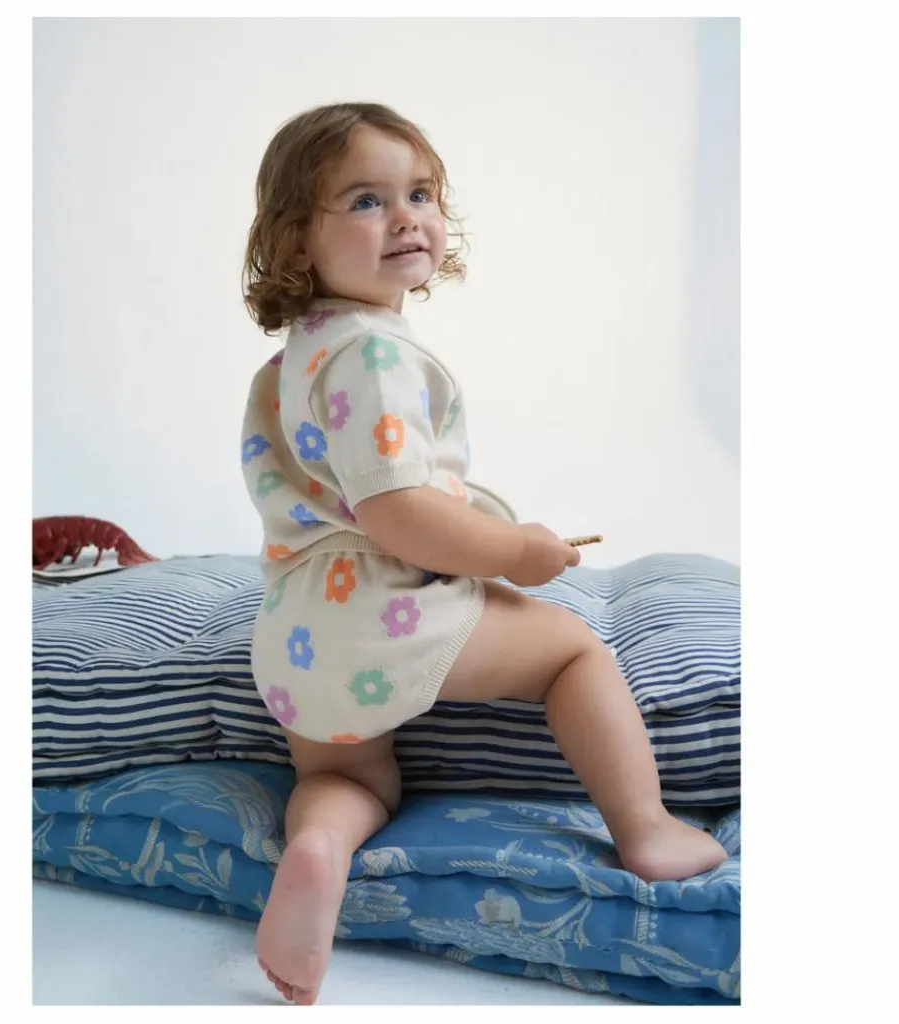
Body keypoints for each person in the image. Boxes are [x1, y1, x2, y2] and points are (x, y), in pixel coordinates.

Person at [239, 102, 727, 1005]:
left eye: (420, 193)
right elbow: (396, 511)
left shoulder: (299, 355)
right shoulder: (375, 355)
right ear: (297, 238)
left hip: (298, 634)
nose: (406, 217)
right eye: (366, 200)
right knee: (573, 652)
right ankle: (646, 825)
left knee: (348, 775)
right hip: (379, 607)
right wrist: (511, 550)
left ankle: (320, 845)